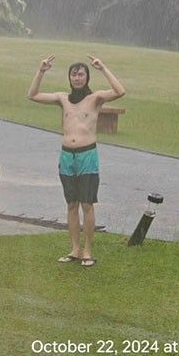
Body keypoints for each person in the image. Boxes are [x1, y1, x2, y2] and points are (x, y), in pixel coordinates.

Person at [27, 55, 126, 267]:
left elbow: (120, 91)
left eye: (81, 74)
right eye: (74, 74)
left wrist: (103, 68)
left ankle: (87, 251)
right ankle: (74, 249)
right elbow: (32, 95)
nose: (77, 78)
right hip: (66, 156)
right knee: (71, 204)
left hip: (87, 155)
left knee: (87, 204)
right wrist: (41, 70)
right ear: (69, 78)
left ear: (87, 78)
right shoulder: (63, 98)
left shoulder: (95, 98)